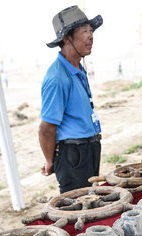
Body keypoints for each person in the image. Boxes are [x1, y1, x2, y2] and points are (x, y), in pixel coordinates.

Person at [39, 6, 103, 193]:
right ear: (67, 38)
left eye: (91, 30)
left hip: (88, 148)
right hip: (73, 155)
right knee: (77, 208)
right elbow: (46, 128)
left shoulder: (77, 68)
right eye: (84, 31)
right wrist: (50, 161)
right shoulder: (58, 77)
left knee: (92, 201)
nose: (90, 36)